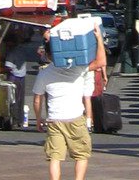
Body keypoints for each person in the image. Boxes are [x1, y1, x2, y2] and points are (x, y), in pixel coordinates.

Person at [32, 21, 106, 180]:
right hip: (75, 117)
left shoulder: (44, 74)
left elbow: (37, 99)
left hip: (54, 120)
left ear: (49, 55)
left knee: (54, 157)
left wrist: (38, 118)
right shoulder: (77, 69)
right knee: (81, 154)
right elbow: (101, 62)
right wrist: (99, 39)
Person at [3, 30, 30, 128]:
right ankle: (20, 120)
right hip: (22, 76)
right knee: (20, 99)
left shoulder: (12, 52)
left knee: (12, 100)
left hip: (14, 77)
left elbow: (8, 66)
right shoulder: (22, 50)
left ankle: (13, 120)